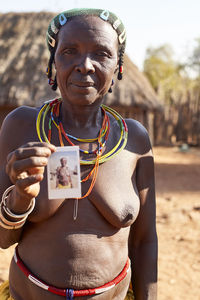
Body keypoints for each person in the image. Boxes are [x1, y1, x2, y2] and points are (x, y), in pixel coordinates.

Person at [0, 8, 157, 300]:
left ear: (117, 69)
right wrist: (20, 197)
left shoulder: (135, 140)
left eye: (101, 53)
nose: (84, 65)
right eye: (70, 51)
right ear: (52, 62)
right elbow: (3, 239)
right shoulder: (21, 127)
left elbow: (145, 241)